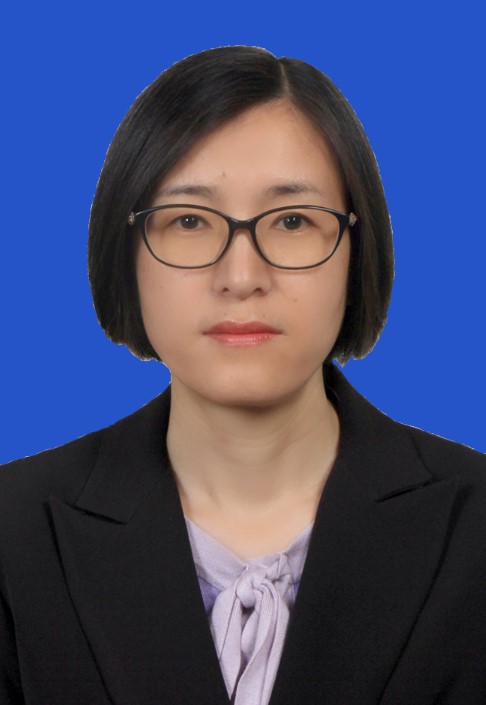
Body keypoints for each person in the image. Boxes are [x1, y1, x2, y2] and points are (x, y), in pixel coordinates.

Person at [0, 45, 485, 705]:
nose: (241, 276)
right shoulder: (15, 534)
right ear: (125, 253)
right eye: (189, 221)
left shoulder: (474, 528)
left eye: (292, 221)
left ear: (357, 248)